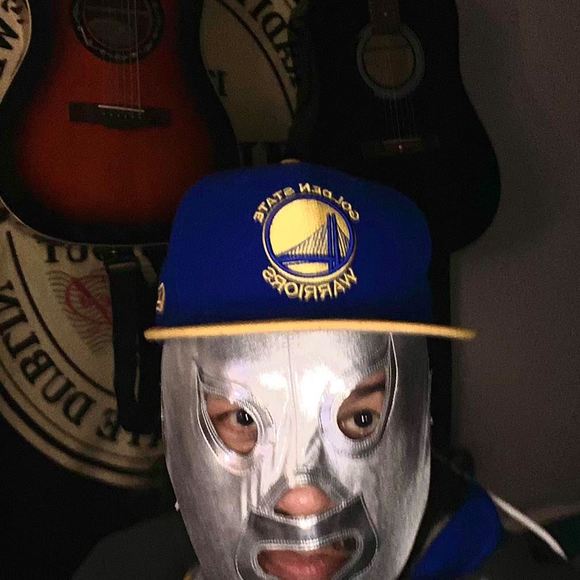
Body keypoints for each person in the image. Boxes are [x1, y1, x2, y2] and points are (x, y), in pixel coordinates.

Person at [75, 161, 579, 579]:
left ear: (420, 415)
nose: (305, 500)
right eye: (243, 419)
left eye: (360, 419)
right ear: (174, 415)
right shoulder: (119, 567)